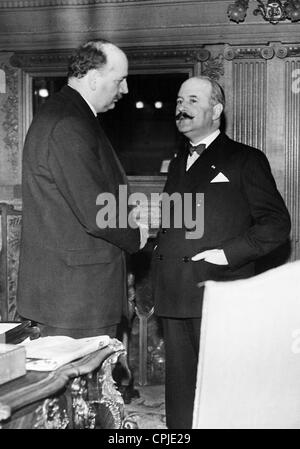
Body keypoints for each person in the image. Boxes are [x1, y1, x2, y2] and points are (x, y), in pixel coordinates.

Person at [152, 76, 291, 429]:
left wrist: (226, 254)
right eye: (179, 100)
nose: (181, 108)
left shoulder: (245, 159)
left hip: (219, 291)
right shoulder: (177, 160)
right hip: (174, 291)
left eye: (192, 100)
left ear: (216, 110)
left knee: (223, 395)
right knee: (180, 397)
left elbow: (275, 225)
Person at [17, 39, 148, 339]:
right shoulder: (68, 124)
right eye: (120, 80)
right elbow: (94, 210)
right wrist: (136, 234)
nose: (125, 90)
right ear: (93, 79)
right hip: (75, 297)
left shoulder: (67, 114)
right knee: (83, 384)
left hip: (73, 294)